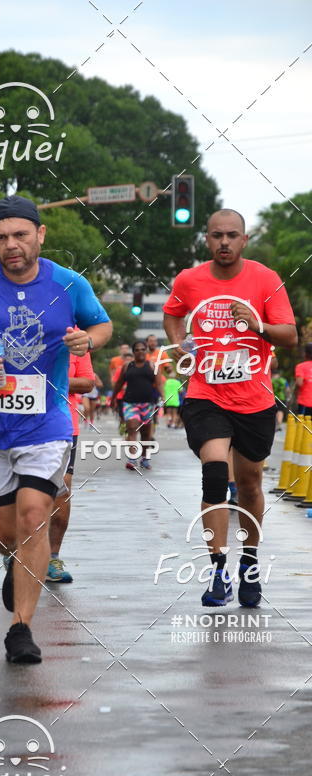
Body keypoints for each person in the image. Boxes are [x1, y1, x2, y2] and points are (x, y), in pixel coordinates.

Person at [0, 194, 112, 664]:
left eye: (20, 235)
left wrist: (85, 339)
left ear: (40, 235)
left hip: (48, 423)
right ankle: (15, 563)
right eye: (1, 238)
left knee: (35, 516)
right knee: (2, 533)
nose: (11, 245)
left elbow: (102, 326)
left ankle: (21, 630)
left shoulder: (68, 284)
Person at [163, 208, 297, 608]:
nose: (224, 242)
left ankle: (249, 563)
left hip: (254, 397)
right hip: (206, 394)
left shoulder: (265, 279)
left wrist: (257, 326)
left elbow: (288, 334)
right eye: (217, 235)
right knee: (215, 471)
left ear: (244, 240)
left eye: (232, 235)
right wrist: (180, 347)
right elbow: (173, 313)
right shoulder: (189, 279)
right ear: (207, 239)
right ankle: (218, 568)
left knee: (251, 482)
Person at [47, 349, 95, 584]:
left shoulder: (76, 339)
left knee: (61, 488)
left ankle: (52, 558)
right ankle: (17, 550)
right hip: (21, 424)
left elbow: (87, 382)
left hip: (64, 425)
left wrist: (50, 379)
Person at [112, 340, 165, 470]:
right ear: (133, 352)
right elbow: (119, 383)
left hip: (148, 403)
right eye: (137, 350)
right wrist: (113, 397)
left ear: (146, 351)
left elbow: (158, 383)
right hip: (130, 402)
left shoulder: (152, 366)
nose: (140, 352)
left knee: (146, 433)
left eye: (143, 349)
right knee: (132, 427)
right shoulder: (127, 366)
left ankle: (145, 459)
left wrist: (163, 398)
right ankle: (132, 458)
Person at [270, 357, 290, 429]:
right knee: (280, 410)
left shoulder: (270, 380)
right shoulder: (283, 380)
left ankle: (274, 423)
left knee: (273, 411)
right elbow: (287, 389)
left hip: (272, 397)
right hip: (282, 398)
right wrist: (288, 397)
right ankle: (279, 424)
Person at [295, 343, 312, 416]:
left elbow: (299, 383)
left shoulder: (300, 366)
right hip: (305, 401)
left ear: (305, 353)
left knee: (303, 425)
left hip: (305, 402)